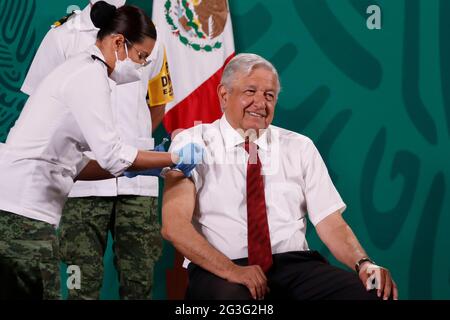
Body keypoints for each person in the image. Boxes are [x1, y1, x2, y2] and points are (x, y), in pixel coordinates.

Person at [0, 2, 201, 300]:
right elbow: (113, 156)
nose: (143, 66)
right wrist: (172, 158)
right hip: (23, 212)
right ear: (119, 42)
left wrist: (151, 167)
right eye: (141, 57)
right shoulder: (88, 75)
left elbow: (79, 165)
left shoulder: (85, 68)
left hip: (22, 211)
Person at [161, 53, 398, 300]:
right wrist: (233, 271)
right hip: (223, 268)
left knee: (370, 294)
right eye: (250, 91)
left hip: (295, 265)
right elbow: (174, 226)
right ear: (224, 95)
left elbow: (330, 222)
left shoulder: (299, 146)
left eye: (269, 95)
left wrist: (364, 264)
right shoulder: (191, 142)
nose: (260, 103)